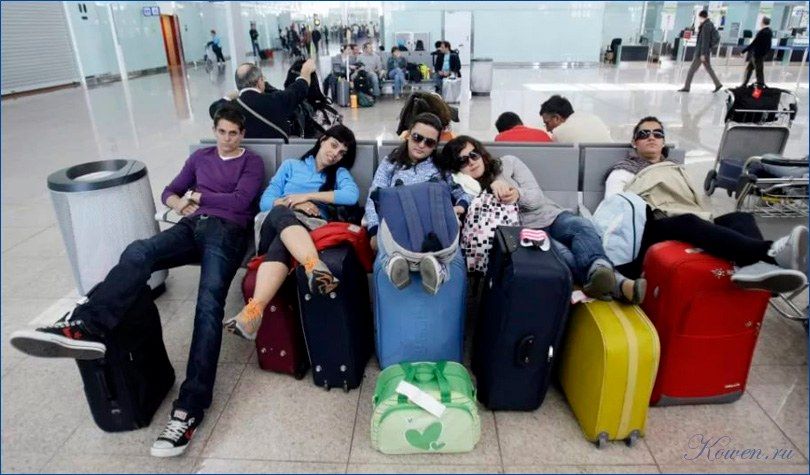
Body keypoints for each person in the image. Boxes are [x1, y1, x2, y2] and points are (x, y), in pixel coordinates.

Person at [10, 107, 265, 457]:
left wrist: (198, 197)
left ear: (242, 134)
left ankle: (189, 409)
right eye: (222, 131)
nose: (227, 138)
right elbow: (170, 191)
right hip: (192, 226)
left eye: (234, 133)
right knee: (138, 251)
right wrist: (179, 202)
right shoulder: (201, 158)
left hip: (227, 233)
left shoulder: (251, 162)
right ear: (215, 130)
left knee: (208, 305)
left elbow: (240, 200)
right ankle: (88, 325)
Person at [604, 116, 807, 292]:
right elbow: (615, 208)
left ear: (663, 141)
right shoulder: (624, 170)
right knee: (688, 221)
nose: (651, 137)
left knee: (740, 218)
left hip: (683, 218)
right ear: (634, 142)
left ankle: (755, 271)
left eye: (657, 134)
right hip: (651, 226)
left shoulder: (675, 168)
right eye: (644, 134)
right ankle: (769, 254)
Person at [439, 136, 645, 302]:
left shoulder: (508, 163)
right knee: (562, 255)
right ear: (457, 169)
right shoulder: (466, 192)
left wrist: (515, 193)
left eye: (473, 155)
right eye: (462, 161)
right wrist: (485, 189)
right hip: (526, 235)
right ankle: (619, 284)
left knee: (580, 226)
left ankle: (601, 271)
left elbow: (536, 199)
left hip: (551, 215)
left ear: (481, 154)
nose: (471, 162)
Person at [224, 125, 359, 340]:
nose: (335, 154)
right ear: (322, 140)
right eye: (333, 145)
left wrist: (307, 196)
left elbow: (351, 196)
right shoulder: (291, 165)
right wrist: (294, 203)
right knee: (281, 212)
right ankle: (313, 266)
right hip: (273, 223)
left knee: (282, 242)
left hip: (307, 230)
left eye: (342, 152)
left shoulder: (339, 173)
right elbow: (265, 202)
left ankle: (253, 313)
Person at [364, 113, 471, 294]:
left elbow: (463, 193)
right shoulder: (390, 163)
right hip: (399, 222)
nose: (421, 145)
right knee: (385, 230)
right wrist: (373, 230)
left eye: (429, 142)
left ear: (435, 145)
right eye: (417, 137)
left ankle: (436, 270)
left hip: (432, 224)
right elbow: (374, 197)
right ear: (408, 135)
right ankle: (394, 264)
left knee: (442, 242)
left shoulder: (441, 167)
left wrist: (459, 207)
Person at [208, 59, 316, 139]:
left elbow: (213, 108)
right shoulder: (276, 100)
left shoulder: (227, 109)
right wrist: (306, 71)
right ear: (260, 82)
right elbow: (299, 88)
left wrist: (233, 94)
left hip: (247, 155)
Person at [678, 10, 723, 93]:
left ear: (702, 17)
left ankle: (686, 87)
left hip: (701, 53)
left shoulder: (706, 26)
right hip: (705, 52)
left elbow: (705, 41)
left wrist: (702, 54)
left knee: (691, 70)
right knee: (709, 68)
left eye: (699, 17)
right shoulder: (709, 24)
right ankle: (718, 84)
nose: (699, 19)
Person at [539, 95, 612, 143]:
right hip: (614, 162)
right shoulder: (594, 119)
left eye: (547, 123)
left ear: (556, 118)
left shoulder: (559, 133)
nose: (547, 129)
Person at [741, 17, 773, 87]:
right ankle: (744, 84)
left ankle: (760, 86)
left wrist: (744, 51)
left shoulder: (762, 32)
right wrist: (765, 53)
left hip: (757, 55)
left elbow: (754, 43)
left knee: (758, 71)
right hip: (760, 54)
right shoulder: (769, 31)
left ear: (762, 22)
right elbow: (769, 45)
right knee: (749, 69)